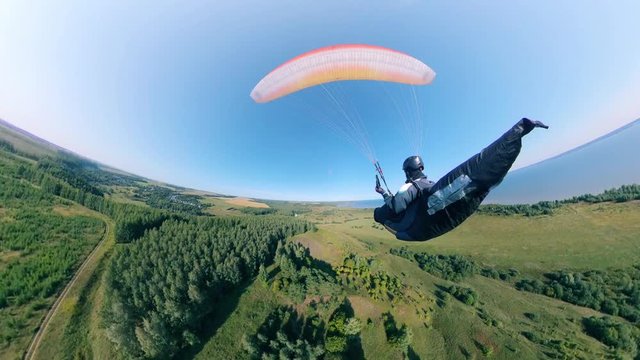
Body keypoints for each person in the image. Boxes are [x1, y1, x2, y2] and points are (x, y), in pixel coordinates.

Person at [373, 118, 548, 241]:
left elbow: (395, 207)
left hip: (412, 230)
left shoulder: (410, 187)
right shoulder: (430, 184)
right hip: (431, 228)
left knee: (382, 214)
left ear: (407, 172)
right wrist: (384, 193)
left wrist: (381, 207)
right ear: (421, 168)